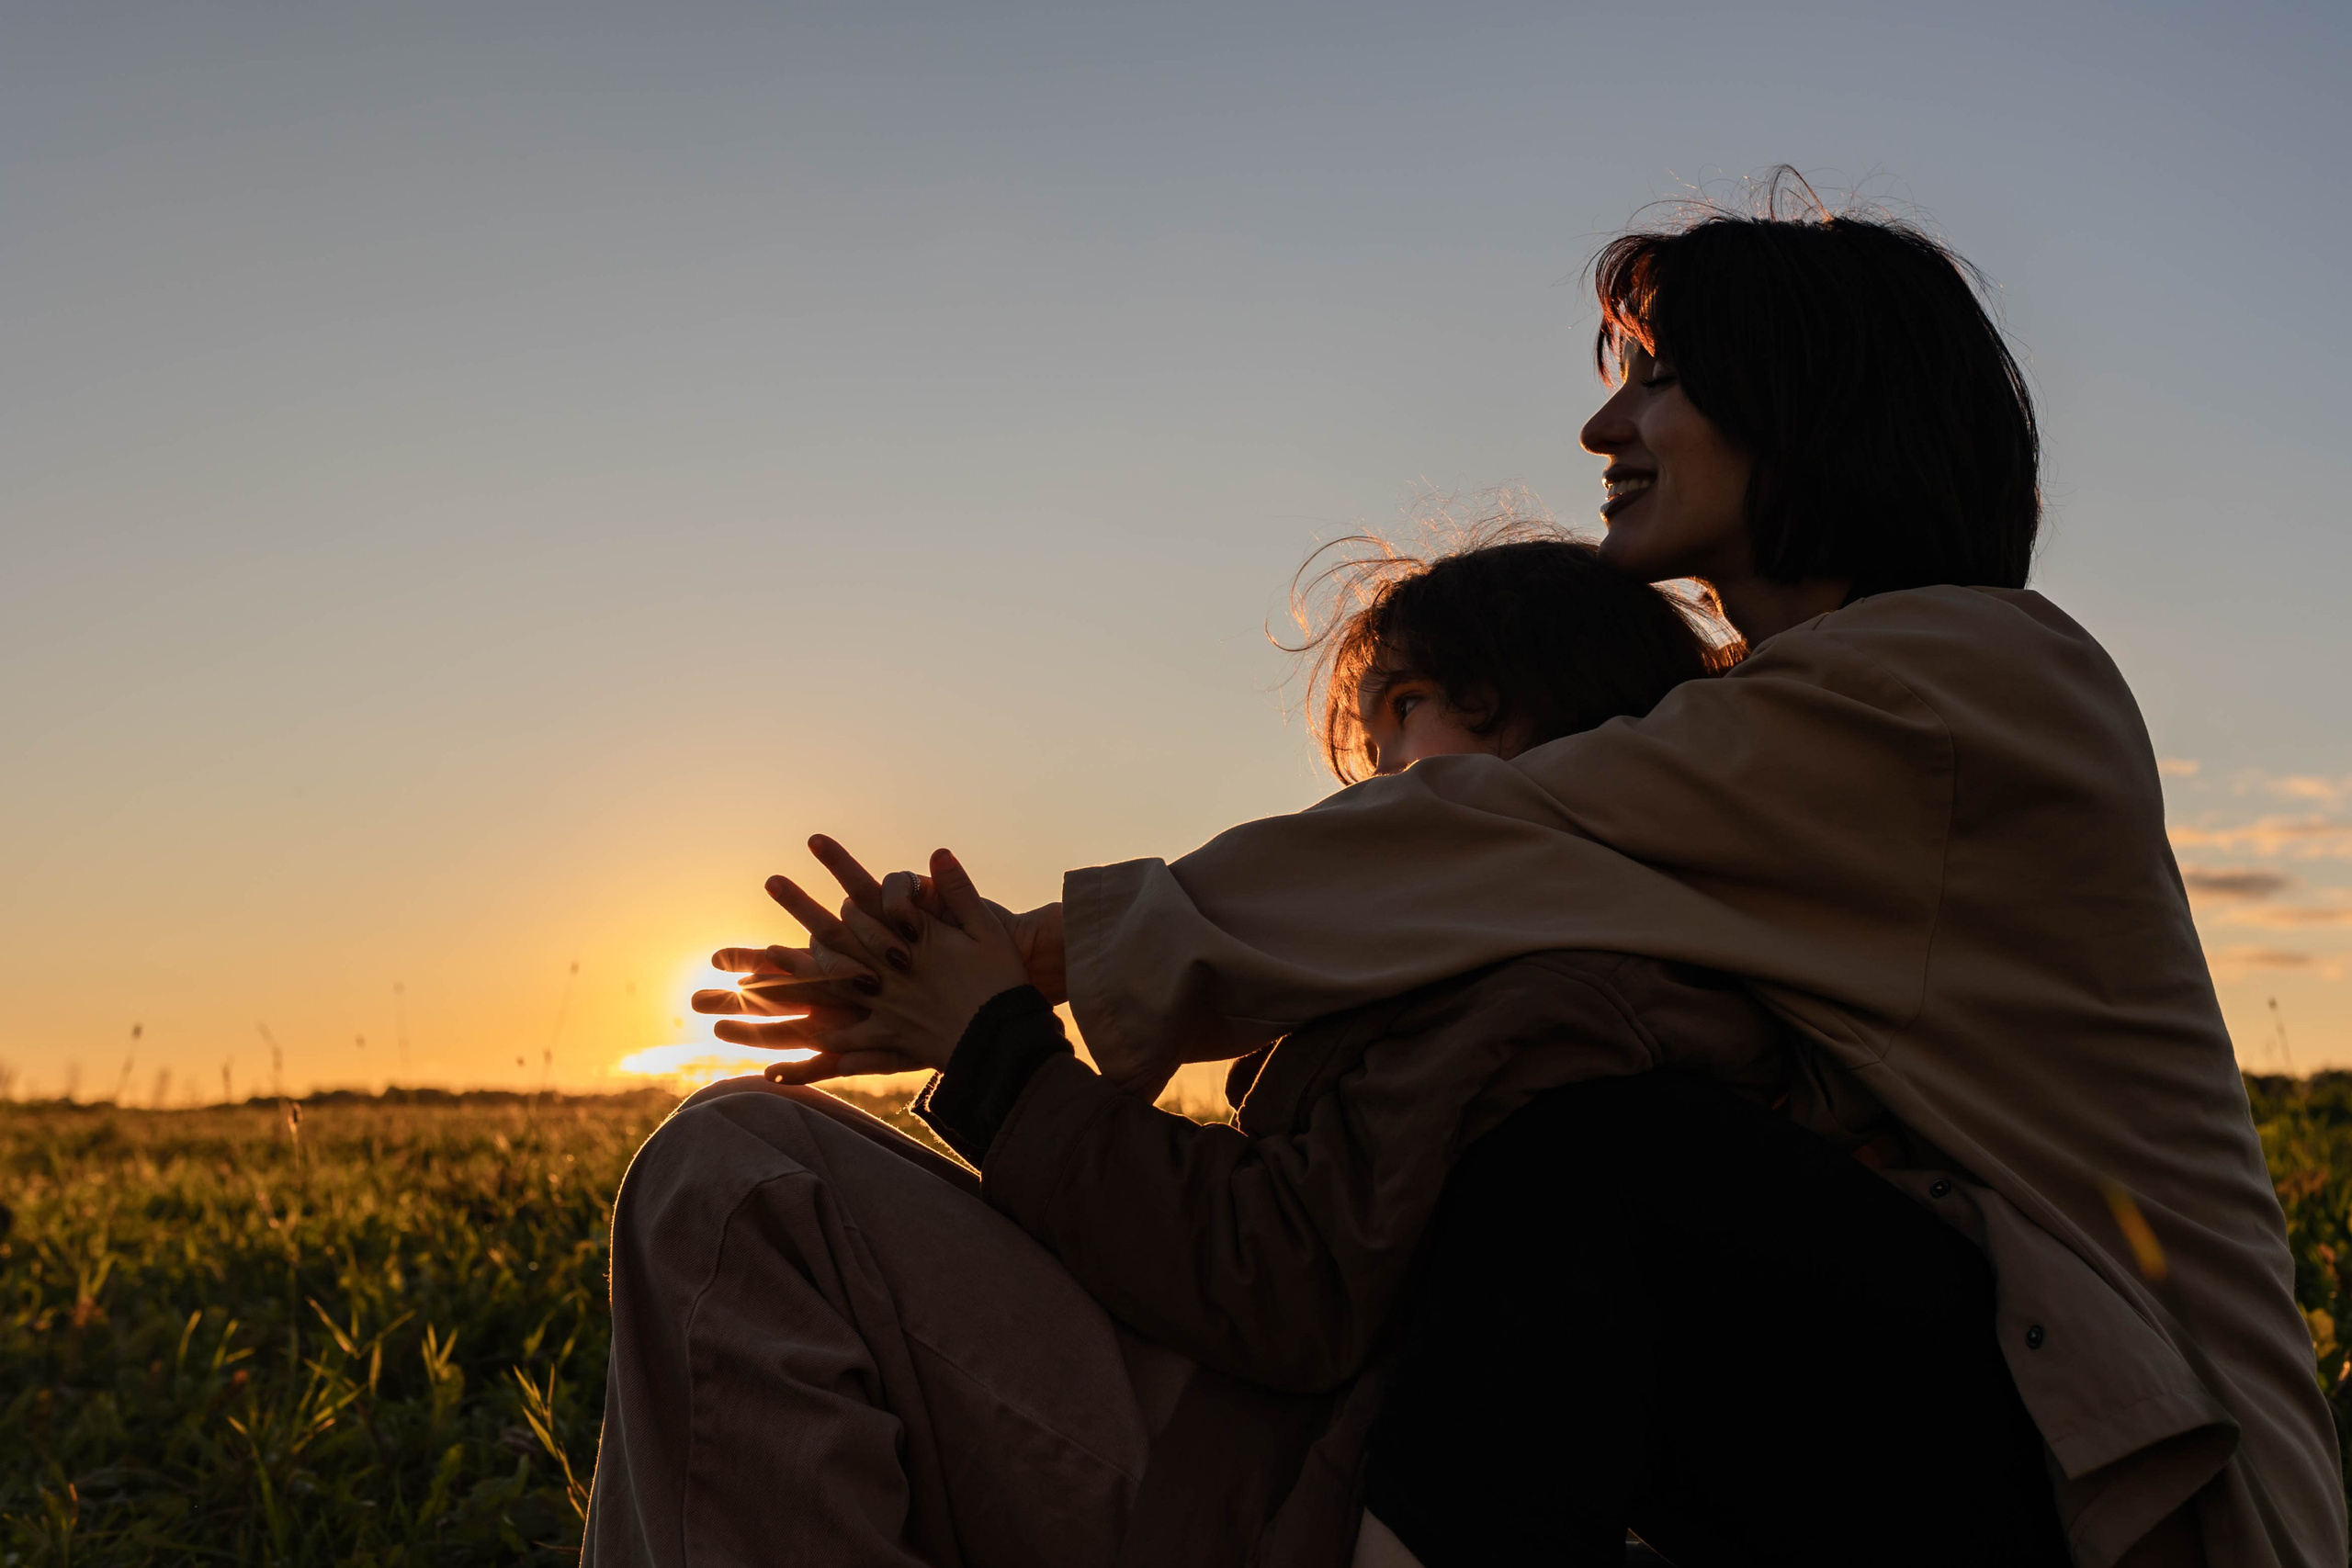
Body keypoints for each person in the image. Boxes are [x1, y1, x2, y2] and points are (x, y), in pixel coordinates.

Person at [829, 192, 2335, 1565]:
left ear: (1810, 400)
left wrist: (1030, 962)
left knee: (1600, 1166)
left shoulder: (1963, 682)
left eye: (1662, 378)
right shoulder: (1795, 725)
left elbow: (1498, 833)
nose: (1605, 425)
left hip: (2157, 1500)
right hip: (2010, 1437)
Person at [582, 532, 1824, 1567]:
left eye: (1405, 713)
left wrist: (993, 1051)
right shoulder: (1545, 953)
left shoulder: (1567, 987)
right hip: (1254, 1449)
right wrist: (963, 1000)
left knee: (739, 1185)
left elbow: (1289, 1287)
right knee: (750, 1157)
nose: (1376, 782)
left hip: (1269, 1493)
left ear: (1550, 722)